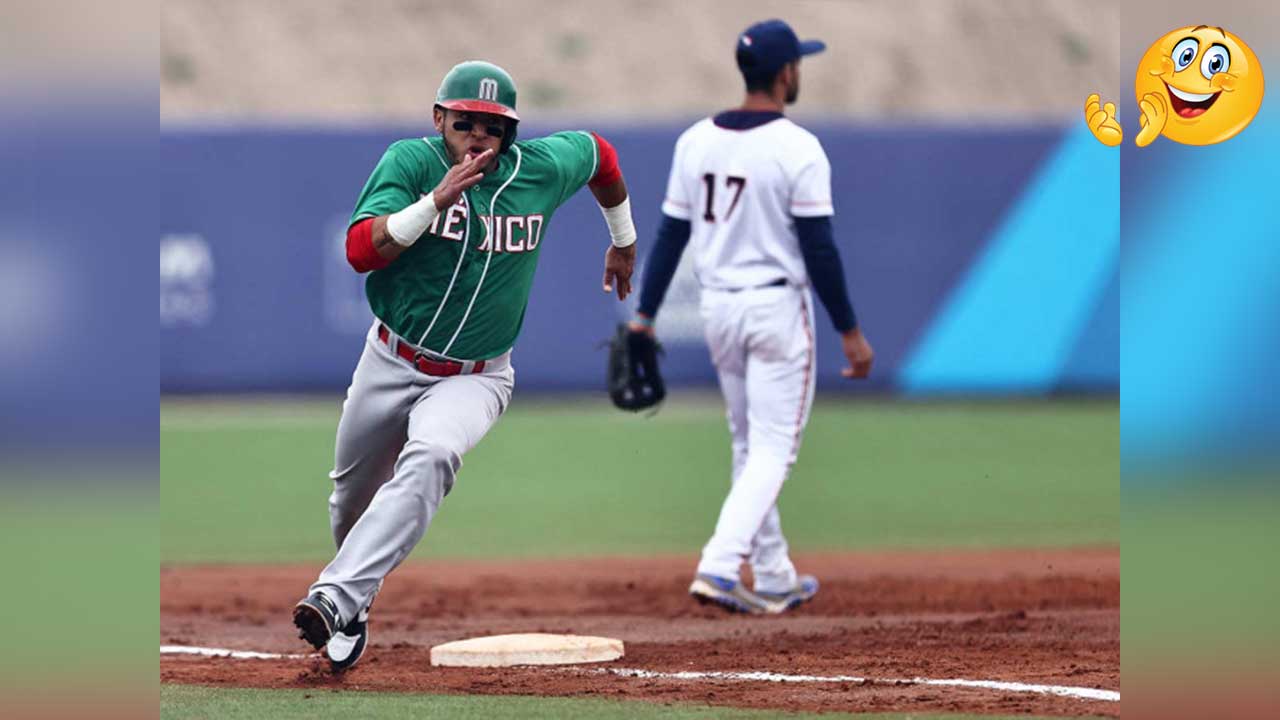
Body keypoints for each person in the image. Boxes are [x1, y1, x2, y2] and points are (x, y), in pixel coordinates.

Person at [292, 60, 638, 670]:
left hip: (476, 376)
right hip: (389, 358)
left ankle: (335, 597)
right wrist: (434, 202)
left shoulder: (538, 169)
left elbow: (600, 155)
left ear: (511, 132)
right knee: (350, 500)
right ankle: (357, 600)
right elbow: (360, 251)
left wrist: (623, 239)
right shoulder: (410, 162)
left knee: (432, 454)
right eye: (464, 121)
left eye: (492, 125)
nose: (478, 134)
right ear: (438, 119)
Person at [631, 20, 874, 614]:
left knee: (749, 442)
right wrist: (849, 331)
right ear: (786, 73)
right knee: (773, 449)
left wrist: (645, 313)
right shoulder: (797, 147)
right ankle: (719, 564)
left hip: (719, 308)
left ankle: (772, 572)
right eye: (798, 64)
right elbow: (819, 249)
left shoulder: (695, 141)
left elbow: (670, 234)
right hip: (774, 309)